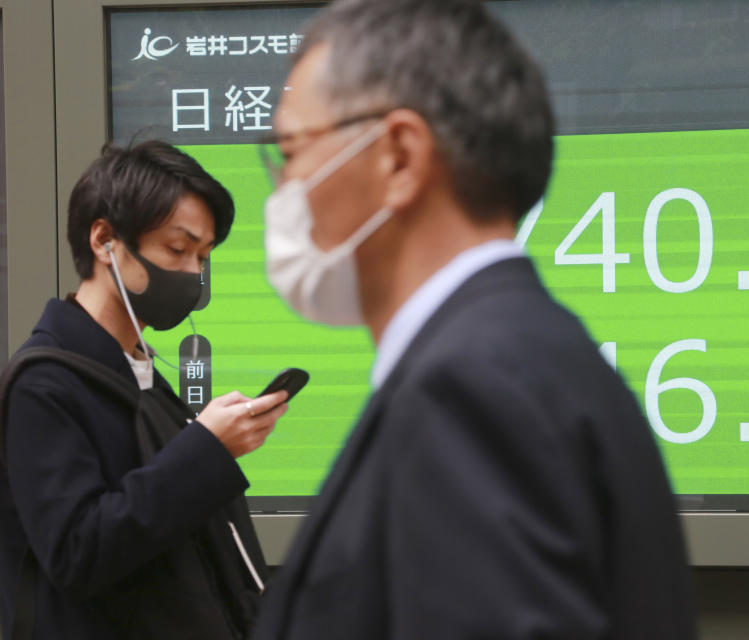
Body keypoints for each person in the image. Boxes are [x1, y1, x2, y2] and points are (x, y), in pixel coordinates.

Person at [254, 1, 696, 638]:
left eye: (293, 150)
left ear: (400, 157)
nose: (284, 189)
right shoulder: (537, 356)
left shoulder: (467, 389)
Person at [0, 141, 289, 639]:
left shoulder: (140, 371)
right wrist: (207, 450)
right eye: (178, 249)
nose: (194, 274)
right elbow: (78, 553)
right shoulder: (43, 384)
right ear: (104, 240)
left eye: (203, 257)